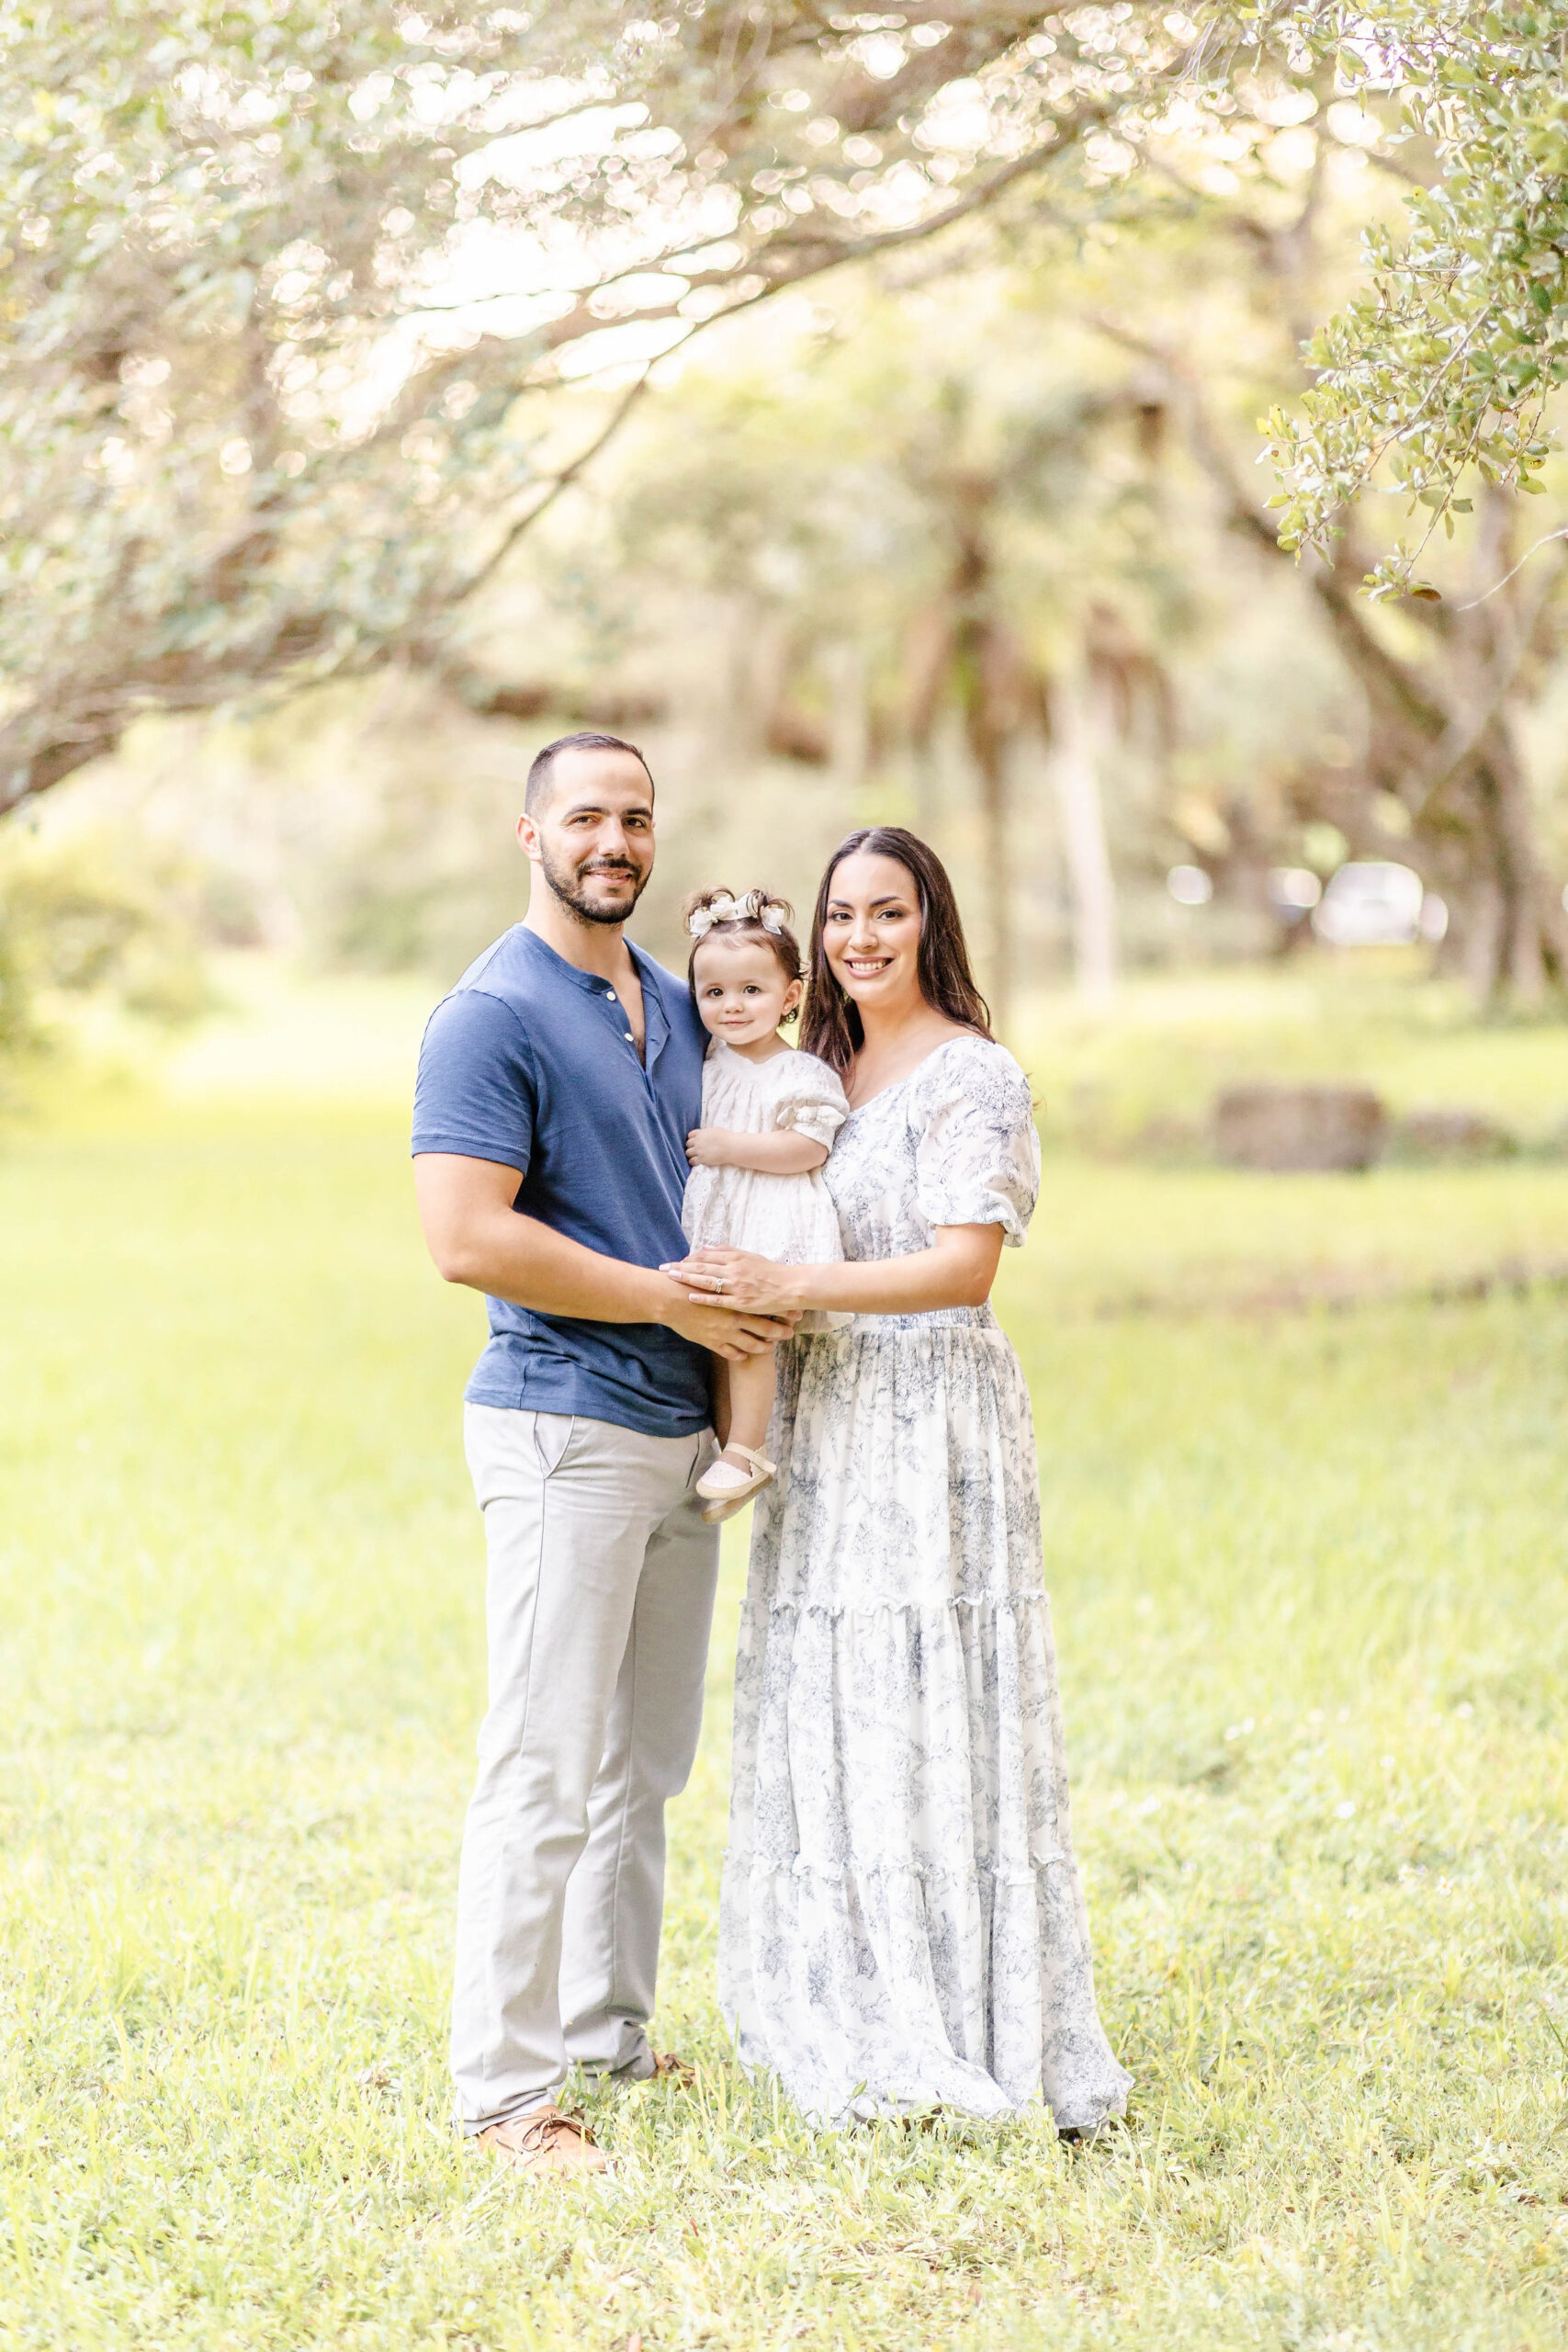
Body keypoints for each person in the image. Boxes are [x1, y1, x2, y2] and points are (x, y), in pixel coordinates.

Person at [663, 826, 1133, 2129]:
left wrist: (783, 1286)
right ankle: (845, 1984)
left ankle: (960, 2001)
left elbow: (961, 1266)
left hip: (930, 1414)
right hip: (821, 1417)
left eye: (886, 913)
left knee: (928, 1688)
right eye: (839, 917)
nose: (859, 939)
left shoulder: (970, 1074)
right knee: (835, 1689)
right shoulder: (814, 1064)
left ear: (929, 922)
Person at [411, 731, 795, 2177]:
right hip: (560, 1424)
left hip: (678, 1429)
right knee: (543, 1762)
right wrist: (667, 1297)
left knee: (643, 1764)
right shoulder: (487, 1013)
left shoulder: (669, 1003)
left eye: (635, 818)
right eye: (585, 817)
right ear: (528, 834)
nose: (614, 841)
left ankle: (608, 2037)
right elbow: (464, 1239)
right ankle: (506, 2097)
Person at [679, 888, 850, 1521]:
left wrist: (728, 1146)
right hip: (722, 1213)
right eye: (713, 993)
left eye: (752, 990)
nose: (732, 1006)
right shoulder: (708, 1063)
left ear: (791, 995)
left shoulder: (798, 1072)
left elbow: (807, 1148)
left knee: (749, 1336)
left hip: (769, 1218)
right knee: (719, 1339)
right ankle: (731, 1450)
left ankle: (748, 1448)